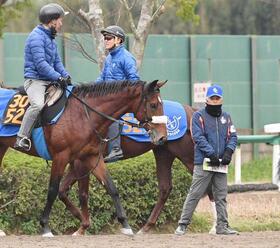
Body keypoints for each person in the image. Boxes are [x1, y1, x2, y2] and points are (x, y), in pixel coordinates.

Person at [175, 84, 238, 236]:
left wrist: (229, 152)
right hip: (203, 163)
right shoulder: (198, 116)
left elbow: (233, 136)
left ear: (221, 99)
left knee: (221, 195)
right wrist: (211, 154)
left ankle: (222, 226)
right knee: (195, 194)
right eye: (212, 98)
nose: (215, 101)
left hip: (221, 164)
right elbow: (198, 137)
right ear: (207, 100)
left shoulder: (226, 117)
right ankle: (182, 225)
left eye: (218, 98)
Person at [14, 3, 71, 151]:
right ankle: (21, 137)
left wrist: (65, 76)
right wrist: (58, 77)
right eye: (60, 20)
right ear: (52, 21)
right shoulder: (36, 37)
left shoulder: (50, 39)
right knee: (37, 105)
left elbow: (57, 62)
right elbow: (40, 64)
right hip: (36, 81)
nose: (61, 23)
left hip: (49, 80)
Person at [96, 25, 140, 162]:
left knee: (109, 113)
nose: (106, 40)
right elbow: (101, 79)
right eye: (104, 38)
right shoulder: (109, 58)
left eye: (109, 37)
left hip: (122, 100)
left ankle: (116, 149)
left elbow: (134, 81)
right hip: (108, 99)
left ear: (119, 40)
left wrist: (121, 93)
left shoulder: (127, 58)